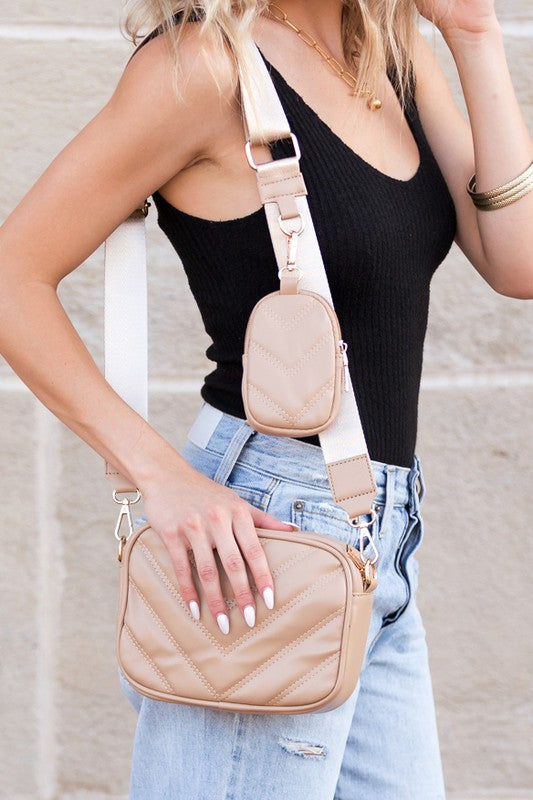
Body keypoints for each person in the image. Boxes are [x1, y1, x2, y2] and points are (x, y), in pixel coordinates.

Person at [1, 1, 531, 798]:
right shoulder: (202, 67)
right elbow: (13, 276)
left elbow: (516, 262)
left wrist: (473, 35)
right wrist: (160, 475)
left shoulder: (389, 52)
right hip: (265, 535)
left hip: (381, 538)